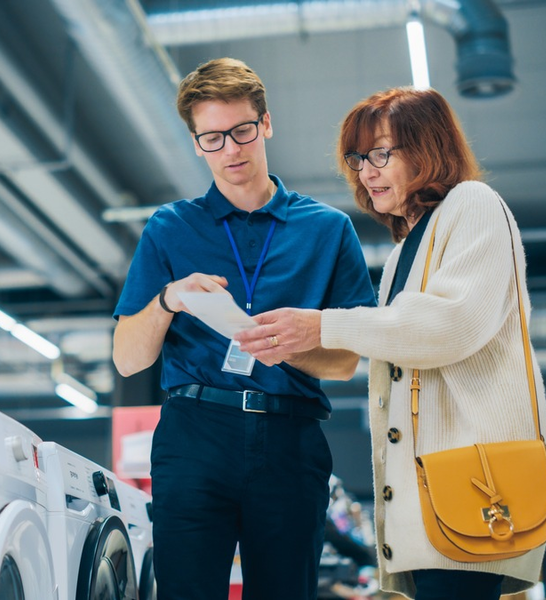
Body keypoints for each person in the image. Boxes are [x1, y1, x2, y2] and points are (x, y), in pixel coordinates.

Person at [234, 87, 546, 600]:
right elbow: (400, 341)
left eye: (381, 154)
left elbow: (451, 325)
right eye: (358, 158)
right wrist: (292, 343)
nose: (366, 171)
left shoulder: (474, 204)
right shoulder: (406, 247)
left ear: (428, 150)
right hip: (434, 506)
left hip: (473, 490)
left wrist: (322, 325)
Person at [112, 57, 376, 600]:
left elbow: (346, 362)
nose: (230, 150)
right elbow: (127, 359)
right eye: (212, 138)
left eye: (241, 131)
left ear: (266, 124)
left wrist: (290, 347)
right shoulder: (170, 227)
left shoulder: (328, 230)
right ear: (195, 143)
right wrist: (169, 298)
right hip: (194, 434)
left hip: (290, 437)